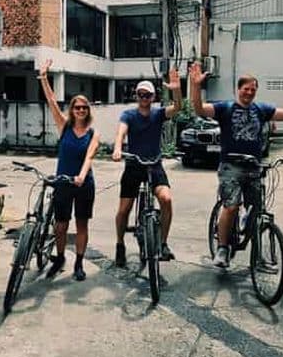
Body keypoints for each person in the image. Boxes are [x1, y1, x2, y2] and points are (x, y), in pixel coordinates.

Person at [189, 61, 283, 268]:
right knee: (232, 206)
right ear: (239, 89)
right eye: (246, 89)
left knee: (257, 212)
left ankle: (258, 256)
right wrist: (196, 85)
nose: (249, 93)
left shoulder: (261, 110)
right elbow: (199, 109)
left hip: (253, 167)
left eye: (253, 90)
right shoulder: (225, 108)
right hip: (230, 166)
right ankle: (223, 248)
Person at [111, 69, 182, 267]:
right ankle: (120, 244)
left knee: (166, 199)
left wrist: (176, 90)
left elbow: (178, 107)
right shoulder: (129, 115)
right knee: (124, 209)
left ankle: (163, 243)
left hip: (154, 165)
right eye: (140, 94)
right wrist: (118, 148)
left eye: (147, 95)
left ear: (153, 97)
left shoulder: (158, 114)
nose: (144, 98)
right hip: (134, 165)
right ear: (136, 96)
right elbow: (121, 132)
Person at [38, 59, 100, 281]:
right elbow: (51, 101)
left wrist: (81, 176)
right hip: (63, 182)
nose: (80, 110)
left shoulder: (93, 133)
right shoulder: (64, 126)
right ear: (72, 110)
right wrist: (44, 77)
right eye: (77, 107)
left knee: (82, 224)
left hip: (84, 184)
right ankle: (60, 257)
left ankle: (79, 263)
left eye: (84, 107)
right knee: (61, 225)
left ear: (88, 110)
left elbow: (90, 156)